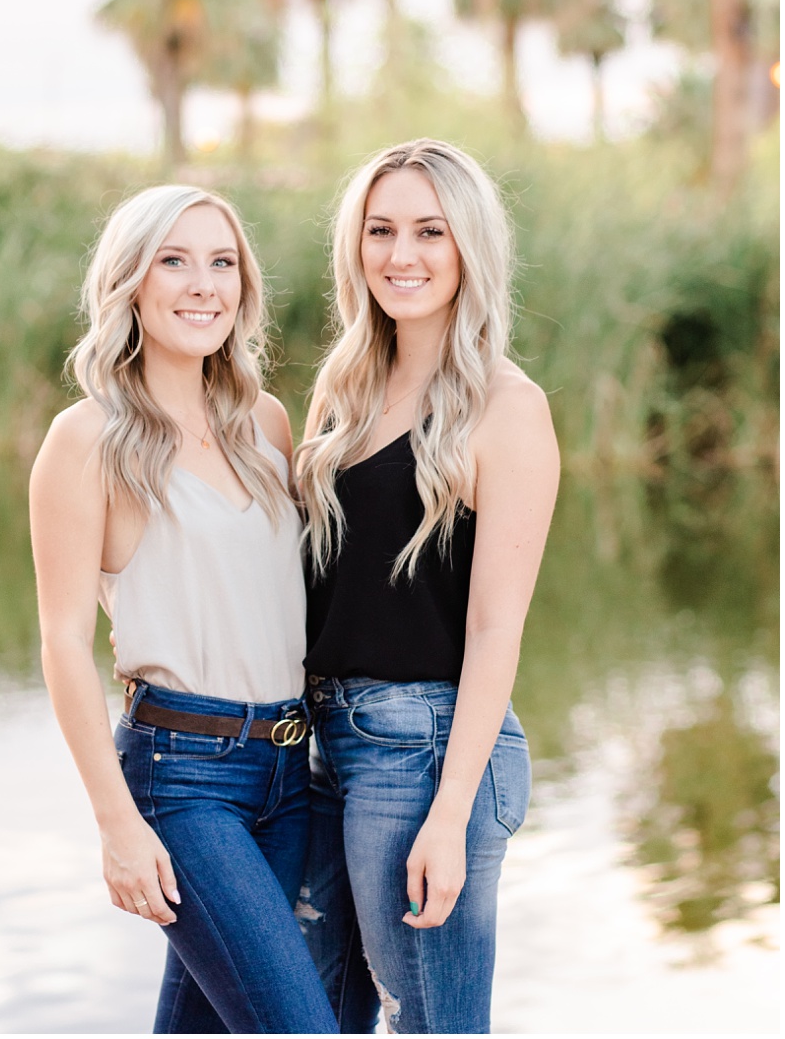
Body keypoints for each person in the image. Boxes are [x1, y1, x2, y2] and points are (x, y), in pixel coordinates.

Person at [29, 185, 336, 1033]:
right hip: (181, 779)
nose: (203, 284)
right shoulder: (86, 439)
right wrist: (114, 824)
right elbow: (61, 640)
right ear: (129, 280)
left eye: (221, 261)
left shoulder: (266, 424)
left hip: (288, 771)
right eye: (174, 260)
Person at [293, 139, 558, 1033]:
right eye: (380, 230)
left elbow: (494, 631)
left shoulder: (504, 405)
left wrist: (448, 815)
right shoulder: (344, 386)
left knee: (432, 1024)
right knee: (312, 1013)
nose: (399, 255)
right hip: (322, 740)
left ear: (466, 247)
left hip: (428, 751)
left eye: (428, 232)